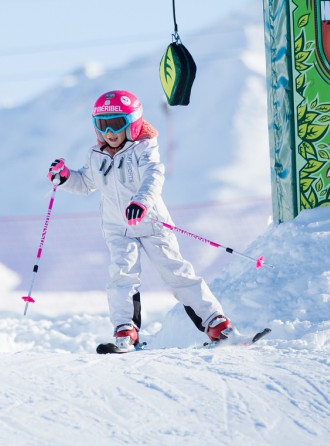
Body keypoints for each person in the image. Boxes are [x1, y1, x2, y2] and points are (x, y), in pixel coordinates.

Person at [47, 89, 234, 352]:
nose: (110, 132)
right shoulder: (95, 155)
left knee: (176, 272)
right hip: (117, 228)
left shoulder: (143, 149)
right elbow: (87, 182)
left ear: (132, 123)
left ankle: (215, 323)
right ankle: (125, 329)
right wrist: (65, 177)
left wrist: (141, 202)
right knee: (122, 276)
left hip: (151, 223)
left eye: (117, 124)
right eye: (103, 125)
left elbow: (153, 176)